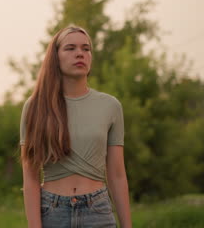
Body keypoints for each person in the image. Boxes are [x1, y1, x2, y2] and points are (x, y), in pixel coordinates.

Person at [19, 25, 132, 228]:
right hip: (52, 212)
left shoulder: (110, 106)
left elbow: (117, 175)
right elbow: (30, 177)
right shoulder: (35, 106)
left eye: (86, 48)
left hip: (97, 212)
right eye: (70, 48)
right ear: (56, 56)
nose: (79, 53)